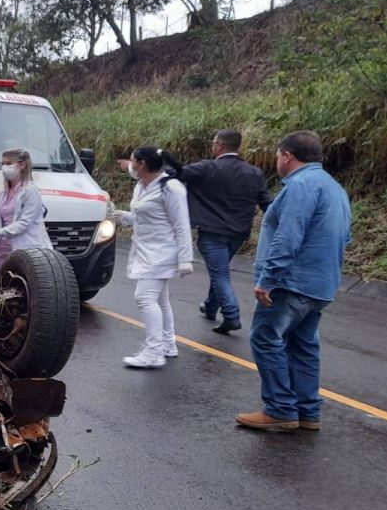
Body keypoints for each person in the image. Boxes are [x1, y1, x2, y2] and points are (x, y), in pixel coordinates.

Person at [236, 131, 351, 431]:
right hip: (321, 283)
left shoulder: (300, 186)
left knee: (266, 338)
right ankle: (307, 411)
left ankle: (280, 408)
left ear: (287, 155)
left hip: (292, 282)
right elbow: (344, 236)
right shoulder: (334, 188)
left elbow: (288, 237)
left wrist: (268, 279)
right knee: (303, 345)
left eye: (277, 156)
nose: (277, 161)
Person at [178, 129, 272, 334]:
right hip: (238, 233)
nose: (212, 146)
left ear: (220, 145)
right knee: (219, 269)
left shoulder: (207, 167)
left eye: (213, 143)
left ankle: (231, 315)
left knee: (219, 272)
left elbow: (178, 173)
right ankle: (211, 306)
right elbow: (267, 203)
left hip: (212, 232)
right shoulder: (254, 172)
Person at [112, 147, 194, 368]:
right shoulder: (142, 185)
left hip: (163, 253)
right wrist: (126, 217)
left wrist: (186, 258)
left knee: (144, 298)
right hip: (146, 250)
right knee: (160, 300)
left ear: (142, 164)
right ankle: (168, 344)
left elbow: (181, 225)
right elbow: (147, 216)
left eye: (132, 161)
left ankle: (153, 352)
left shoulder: (171, 187)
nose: (129, 165)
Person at [0, 148, 51, 275]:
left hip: (25, 247)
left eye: (9, 164)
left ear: (22, 165)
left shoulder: (30, 191)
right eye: (3, 164)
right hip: (2, 249)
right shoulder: (3, 192)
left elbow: (24, 223)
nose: (4, 168)